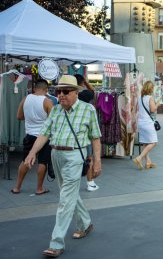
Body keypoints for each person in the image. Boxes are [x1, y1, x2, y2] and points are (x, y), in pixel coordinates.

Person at [24, 75, 102, 258]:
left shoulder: (87, 109)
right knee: (68, 194)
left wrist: (97, 161)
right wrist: (32, 153)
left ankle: (56, 242)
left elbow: (96, 137)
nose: (61, 95)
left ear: (76, 93)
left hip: (75, 155)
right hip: (55, 154)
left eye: (65, 91)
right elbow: (44, 133)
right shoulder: (56, 110)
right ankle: (85, 223)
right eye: (58, 91)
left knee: (65, 199)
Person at [11, 79, 54, 195]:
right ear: (46, 90)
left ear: (35, 88)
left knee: (25, 160)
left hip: (29, 135)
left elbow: (19, 116)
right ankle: (39, 188)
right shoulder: (48, 101)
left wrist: (32, 119)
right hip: (44, 136)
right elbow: (52, 121)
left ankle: (17, 187)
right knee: (43, 162)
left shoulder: (26, 99)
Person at [74, 74, 99, 192]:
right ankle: (90, 183)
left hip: (72, 135)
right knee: (88, 158)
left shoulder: (67, 96)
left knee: (73, 159)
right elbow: (93, 91)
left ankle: (73, 184)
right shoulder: (86, 97)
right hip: (85, 136)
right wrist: (87, 82)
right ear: (82, 83)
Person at [133, 81, 158, 169]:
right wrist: (157, 104)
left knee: (145, 142)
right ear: (151, 89)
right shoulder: (150, 98)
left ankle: (148, 162)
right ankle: (139, 158)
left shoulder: (140, 97)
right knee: (153, 142)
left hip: (141, 122)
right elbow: (153, 109)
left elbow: (137, 109)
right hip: (148, 123)